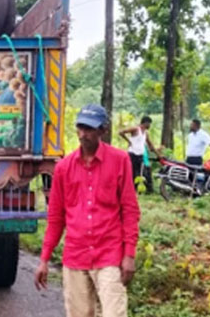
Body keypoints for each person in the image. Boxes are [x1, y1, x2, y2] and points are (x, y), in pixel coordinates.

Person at [35, 104, 140, 317]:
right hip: (76, 256)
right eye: (81, 128)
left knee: (114, 313)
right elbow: (56, 217)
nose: (84, 134)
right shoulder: (64, 168)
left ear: (102, 130)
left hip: (109, 254)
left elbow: (130, 210)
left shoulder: (120, 161)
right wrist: (44, 259)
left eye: (90, 129)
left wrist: (129, 254)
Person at [118, 116, 160, 193]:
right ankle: (131, 190)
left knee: (144, 172)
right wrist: (129, 141)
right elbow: (121, 132)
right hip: (132, 154)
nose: (150, 126)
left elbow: (150, 145)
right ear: (146, 123)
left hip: (140, 154)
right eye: (149, 124)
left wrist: (158, 155)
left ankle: (148, 190)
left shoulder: (145, 133)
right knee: (133, 172)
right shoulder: (136, 129)